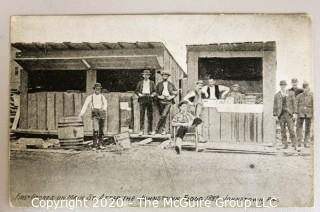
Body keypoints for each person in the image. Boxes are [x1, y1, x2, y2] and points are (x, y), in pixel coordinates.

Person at [79, 83, 107, 150]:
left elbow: (105, 104)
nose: (98, 90)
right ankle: (94, 145)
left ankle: (101, 144)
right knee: (95, 129)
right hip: (95, 114)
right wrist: (81, 114)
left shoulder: (102, 96)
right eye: (96, 89)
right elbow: (85, 105)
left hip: (102, 114)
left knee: (101, 130)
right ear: (94, 89)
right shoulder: (90, 97)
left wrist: (103, 109)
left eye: (99, 89)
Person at [273, 80, 298, 149]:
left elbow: (294, 104)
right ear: (280, 86)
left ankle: (295, 144)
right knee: (282, 130)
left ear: (286, 86)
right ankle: (285, 144)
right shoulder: (277, 95)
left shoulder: (291, 93)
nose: (283, 86)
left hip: (289, 114)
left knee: (291, 129)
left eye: (284, 85)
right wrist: (275, 115)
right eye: (281, 85)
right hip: (281, 115)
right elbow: (275, 105)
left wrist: (295, 113)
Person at [135, 69, 156, 136]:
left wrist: (152, 95)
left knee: (150, 116)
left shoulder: (152, 83)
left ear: (149, 76)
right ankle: (141, 130)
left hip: (149, 98)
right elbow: (136, 91)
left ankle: (149, 131)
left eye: (147, 75)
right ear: (143, 75)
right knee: (142, 115)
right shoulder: (140, 83)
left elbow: (155, 91)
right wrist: (140, 95)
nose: (146, 76)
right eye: (145, 75)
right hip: (142, 98)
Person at [296, 82, 313, 148]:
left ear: (309, 88)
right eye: (304, 88)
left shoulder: (311, 96)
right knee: (299, 128)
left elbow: (314, 105)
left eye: (307, 88)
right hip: (300, 114)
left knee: (307, 129)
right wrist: (296, 113)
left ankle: (306, 143)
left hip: (309, 114)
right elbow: (296, 105)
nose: (306, 89)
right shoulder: (299, 96)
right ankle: (299, 142)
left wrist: (313, 115)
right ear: (303, 89)